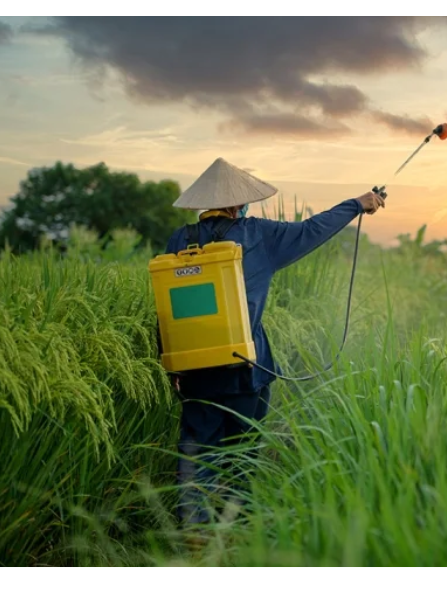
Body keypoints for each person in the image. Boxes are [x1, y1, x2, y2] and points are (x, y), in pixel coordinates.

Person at [162, 157, 385, 525]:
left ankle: (193, 531)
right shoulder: (257, 235)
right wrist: (357, 204)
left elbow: (166, 303)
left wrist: (170, 360)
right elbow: (313, 229)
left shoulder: (180, 240)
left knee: (197, 448)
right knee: (242, 452)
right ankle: (236, 529)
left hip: (192, 364)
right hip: (245, 366)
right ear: (238, 203)